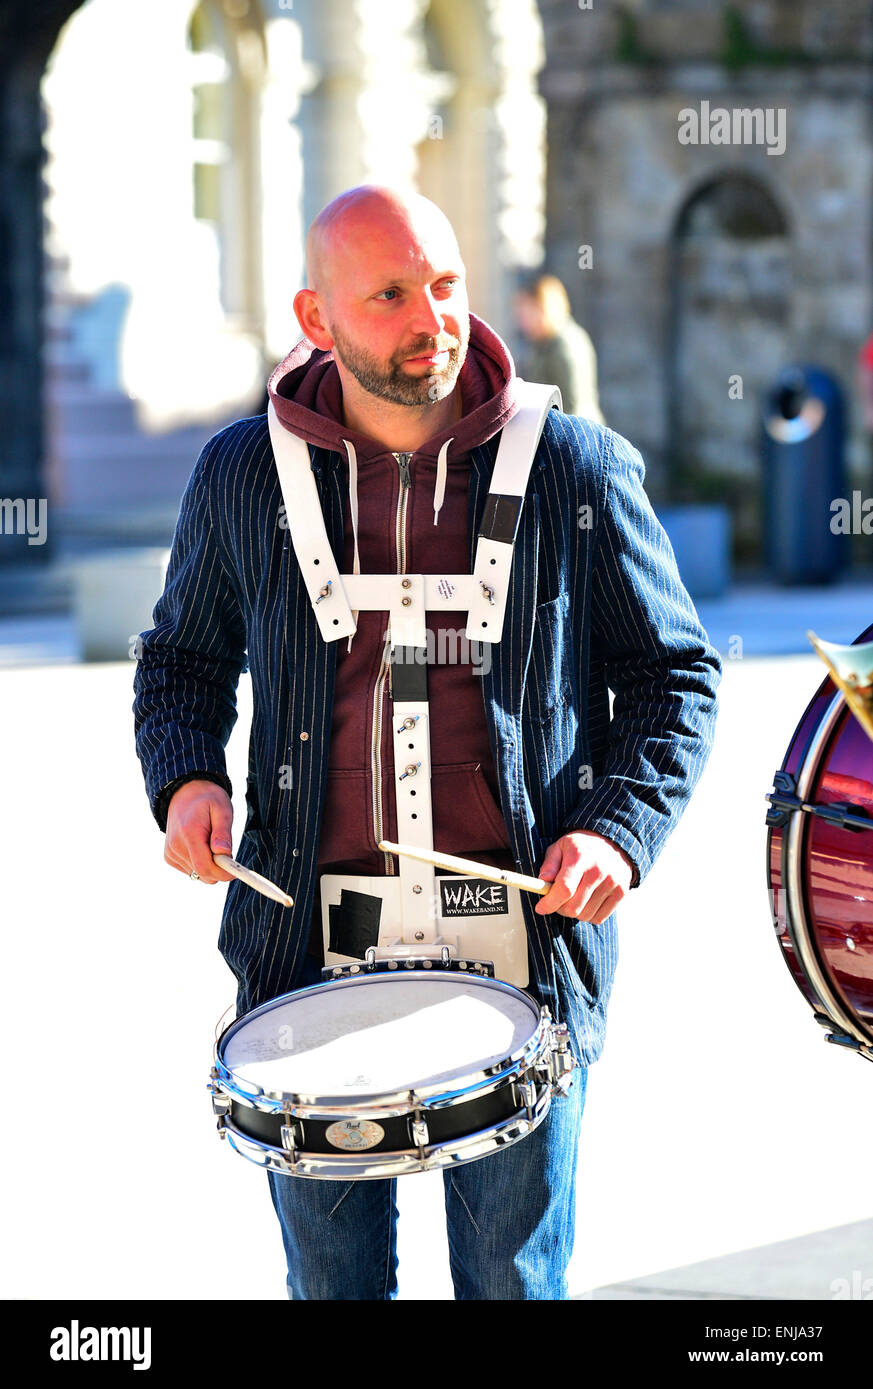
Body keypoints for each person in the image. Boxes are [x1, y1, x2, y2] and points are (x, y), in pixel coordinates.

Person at [132, 184, 721, 1301]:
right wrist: (187, 780)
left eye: (445, 284)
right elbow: (179, 662)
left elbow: (676, 673)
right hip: (304, 955)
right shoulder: (239, 476)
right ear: (319, 319)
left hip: (528, 961)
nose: (433, 317)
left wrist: (619, 834)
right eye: (392, 293)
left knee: (511, 1288)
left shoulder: (575, 469)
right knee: (335, 1291)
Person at [513, 273, 605, 424]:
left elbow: (573, 409)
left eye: (526, 314)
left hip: (576, 434)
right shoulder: (543, 343)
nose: (522, 322)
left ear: (543, 309)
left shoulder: (565, 345)